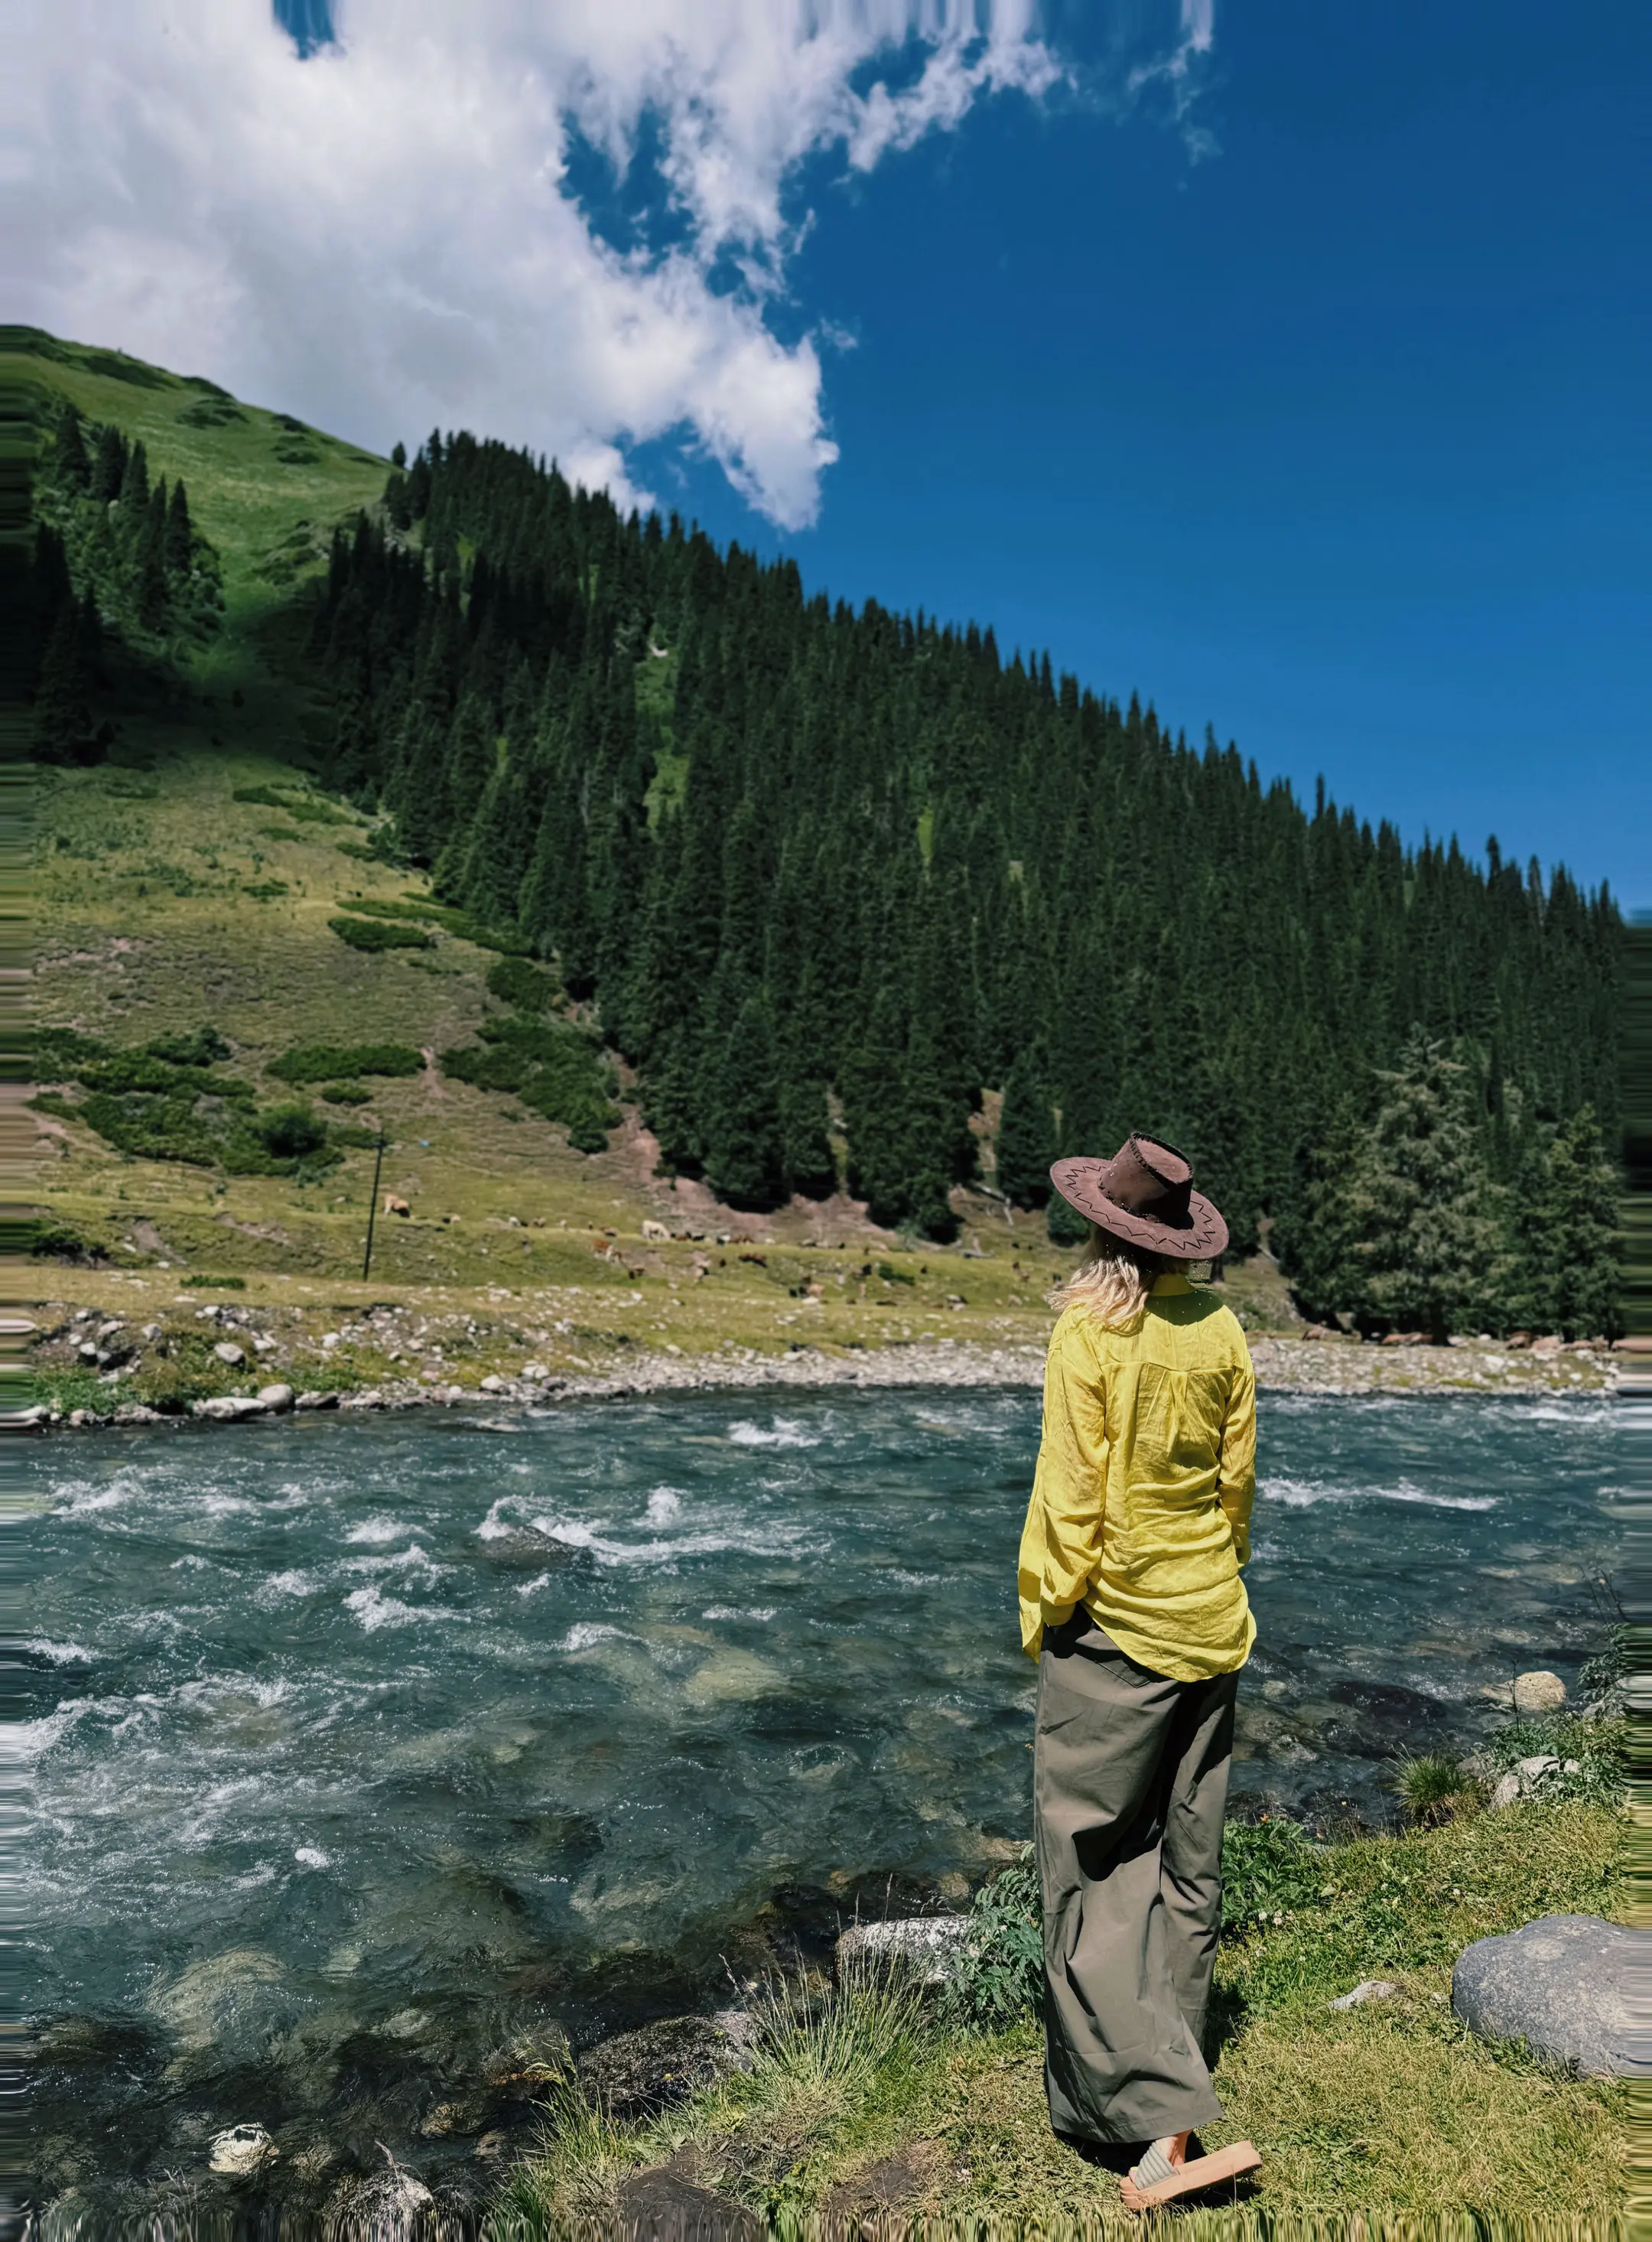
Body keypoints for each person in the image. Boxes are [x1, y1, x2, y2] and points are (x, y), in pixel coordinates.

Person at [1017, 1134, 1261, 2210]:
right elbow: (1236, 1484)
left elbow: (1069, 1503)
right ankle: (1167, 2069)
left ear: (1099, 1224)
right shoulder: (1221, 1327)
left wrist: (1047, 1608)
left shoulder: (1090, 1331)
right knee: (1185, 1861)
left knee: (1093, 1864)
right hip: (1214, 1619)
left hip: (1119, 1628)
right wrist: (1218, 1573)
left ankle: (1153, 2126)